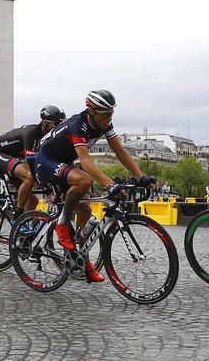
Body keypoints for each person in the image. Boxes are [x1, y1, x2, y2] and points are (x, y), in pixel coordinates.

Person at [35, 90, 156, 284]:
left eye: (111, 113)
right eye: (105, 113)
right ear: (91, 111)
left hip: (64, 163)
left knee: (85, 209)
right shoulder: (78, 124)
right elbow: (86, 160)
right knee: (84, 181)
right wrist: (110, 184)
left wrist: (141, 176)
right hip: (46, 162)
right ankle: (62, 224)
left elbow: (120, 151)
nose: (109, 117)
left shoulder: (104, 123)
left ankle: (83, 258)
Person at [0, 105, 64, 218]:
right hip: (0, 154)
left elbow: (45, 162)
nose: (57, 128)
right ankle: (19, 214)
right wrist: (47, 188)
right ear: (45, 123)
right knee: (29, 177)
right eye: (55, 125)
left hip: (15, 158)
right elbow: (32, 163)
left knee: (33, 201)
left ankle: (21, 227)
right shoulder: (31, 133)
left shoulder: (45, 138)